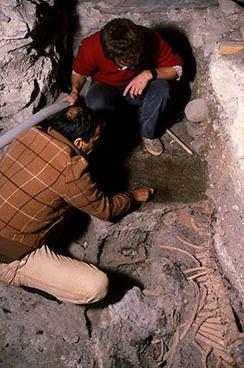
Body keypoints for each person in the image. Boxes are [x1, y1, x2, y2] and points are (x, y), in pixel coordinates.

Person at [0, 105, 154, 304]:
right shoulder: (71, 171)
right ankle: (31, 280)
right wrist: (132, 196)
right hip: (9, 255)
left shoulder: (29, 134)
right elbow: (105, 210)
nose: (97, 145)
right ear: (79, 142)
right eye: (95, 140)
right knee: (97, 285)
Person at [63, 18, 183, 156]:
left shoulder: (150, 37)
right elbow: (79, 73)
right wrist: (74, 91)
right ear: (110, 56)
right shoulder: (90, 47)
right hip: (107, 87)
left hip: (140, 86)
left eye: (136, 61)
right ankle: (107, 137)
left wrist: (150, 73)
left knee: (162, 89)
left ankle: (147, 133)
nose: (132, 68)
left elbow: (177, 69)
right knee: (96, 102)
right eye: (125, 65)